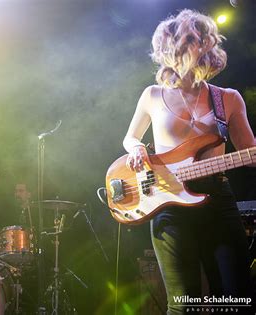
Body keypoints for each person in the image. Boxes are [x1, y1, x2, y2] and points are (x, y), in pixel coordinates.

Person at [123, 10, 255, 314]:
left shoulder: (229, 98)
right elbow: (130, 138)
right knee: (184, 304)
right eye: (190, 42)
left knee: (238, 299)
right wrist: (136, 150)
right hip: (167, 203)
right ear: (171, 49)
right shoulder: (152, 95)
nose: (197, 48)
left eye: (202, 41)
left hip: (217, 200)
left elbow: (250, 153)